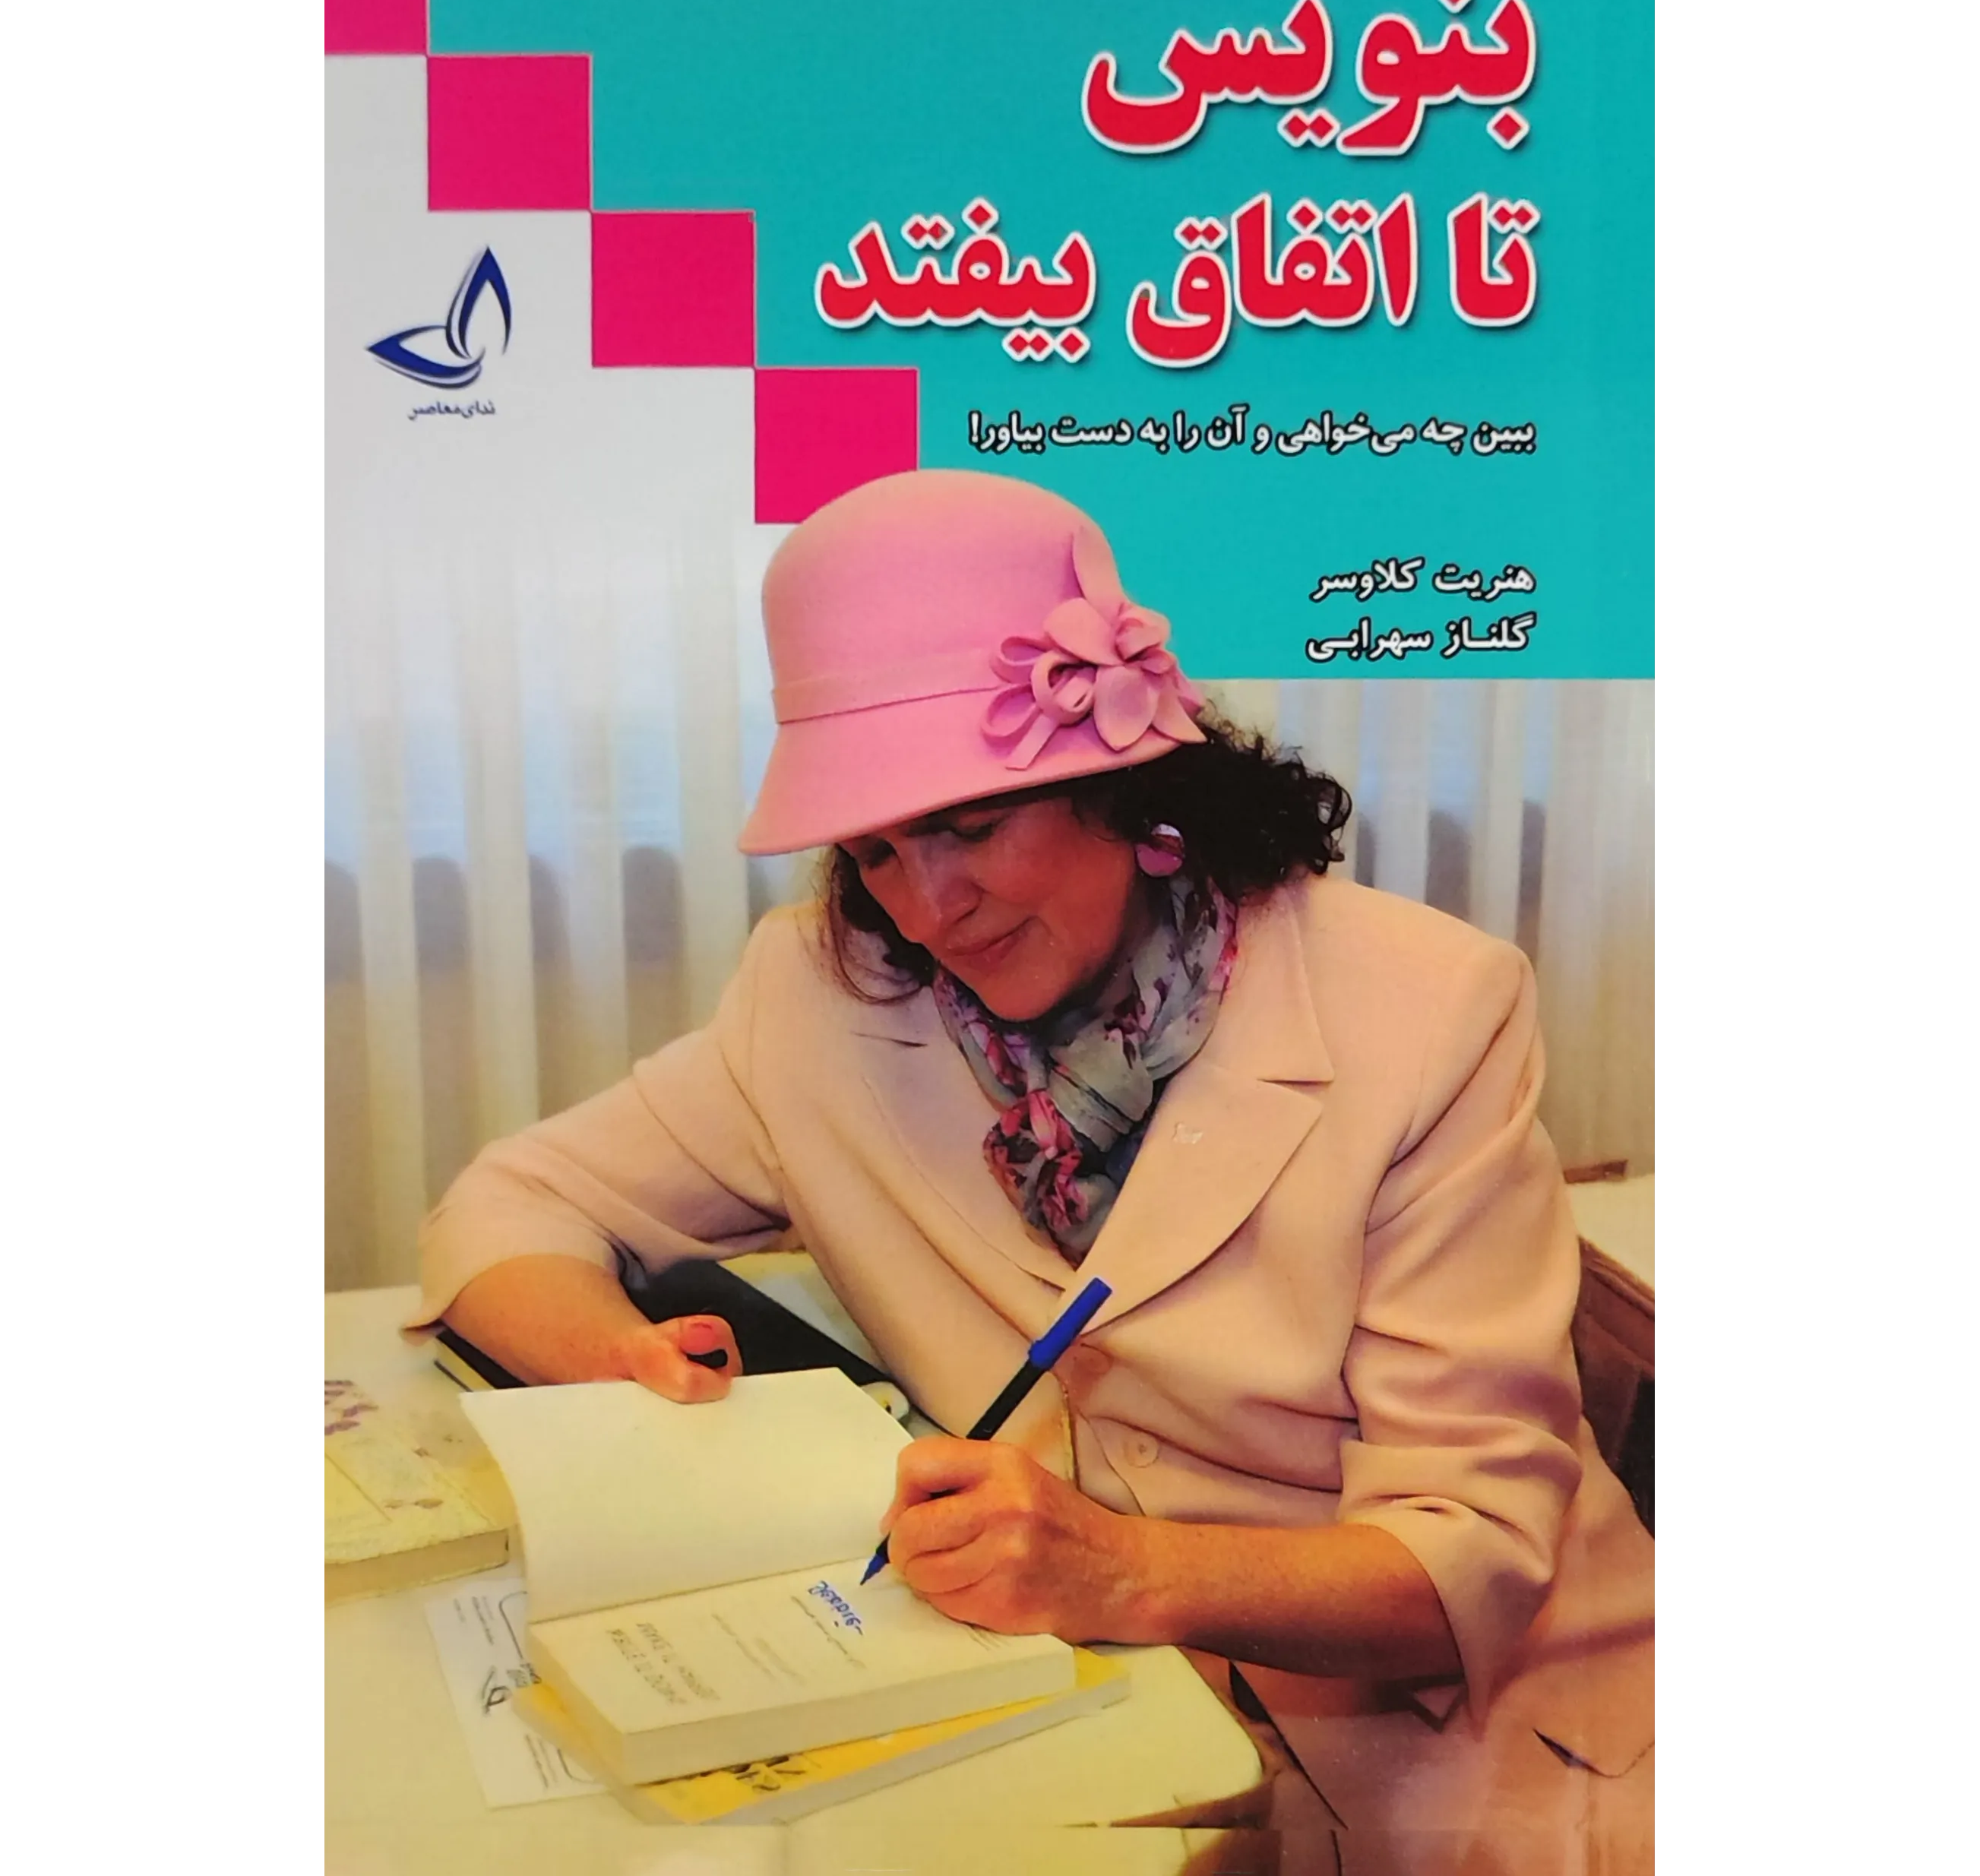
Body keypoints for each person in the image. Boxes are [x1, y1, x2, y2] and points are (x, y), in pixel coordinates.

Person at [414, 470, 1656, 1871]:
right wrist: (627, 1360)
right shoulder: (818, 999)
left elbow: (1471, 1554)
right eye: (876, 849)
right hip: (1099, 1714)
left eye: (966, 825)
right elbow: (505, 1205)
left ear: (1128, 789)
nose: (926, 906)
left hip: (1474, 1740)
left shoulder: (1426, 1007)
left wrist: (1122, 1569)